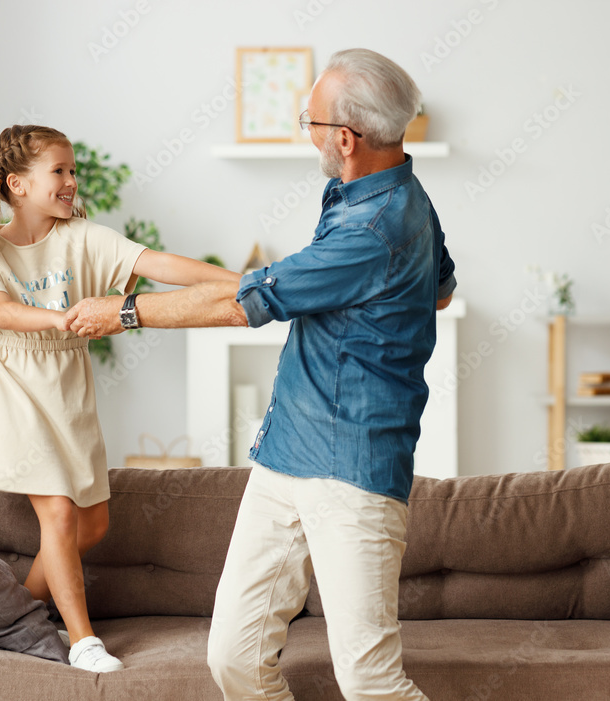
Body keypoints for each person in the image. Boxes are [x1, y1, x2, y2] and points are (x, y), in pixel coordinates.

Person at [66, 48, 454, 700]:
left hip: (352, 467)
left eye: (311, 121)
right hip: (287, 455)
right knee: (236, 658)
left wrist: (124, 311)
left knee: (371, 681)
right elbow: (439, 292)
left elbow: (244, 305)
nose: (307, 132)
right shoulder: (379, 195)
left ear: (345, 139)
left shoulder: (377, 226)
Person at [0, 124, 241, 673]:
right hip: (15, 386)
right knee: (57, 511)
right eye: (59, 170)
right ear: (17, 184)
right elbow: (3, 312)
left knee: (91, 525)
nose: (72, 180)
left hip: (68, 388)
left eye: (73, 170)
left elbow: (159, 264)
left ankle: (3, 621)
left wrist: (243, 281)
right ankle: (82, 642)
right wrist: (62, 319)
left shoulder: (83, 237)